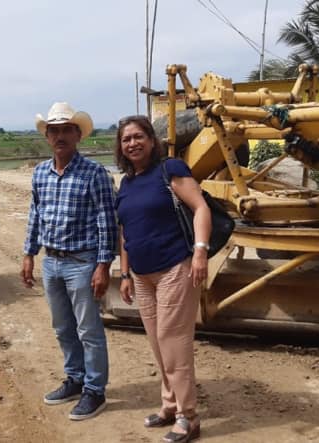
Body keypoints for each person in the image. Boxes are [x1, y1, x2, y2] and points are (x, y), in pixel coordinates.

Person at [114, 115, 210, 442]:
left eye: (138, 136)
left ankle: (188, 416)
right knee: (158, 343)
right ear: (120, 147)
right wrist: (124, 274)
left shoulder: (170, 170)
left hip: (174, 268)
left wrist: (200, 252)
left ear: (151, 140)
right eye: (126, 139)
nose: (132, 143)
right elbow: (125, 233)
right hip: (142, 276)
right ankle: (170, 405)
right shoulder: (126, 184)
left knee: (173, 342)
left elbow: (200, 208)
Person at [21, 102, 117, 421]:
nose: (60, 136)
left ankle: (95, 390)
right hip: (51, 263)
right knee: (63, 328)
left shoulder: (94, 173)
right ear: (47, 136)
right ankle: (75, 379)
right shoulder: (40, 173)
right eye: (54, 131)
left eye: (66, 130)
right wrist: (29, 254)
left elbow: (107, 221)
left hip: (83, 262)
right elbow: (35, 215)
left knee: (88, 330)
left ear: (78, 135)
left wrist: (103, 265)